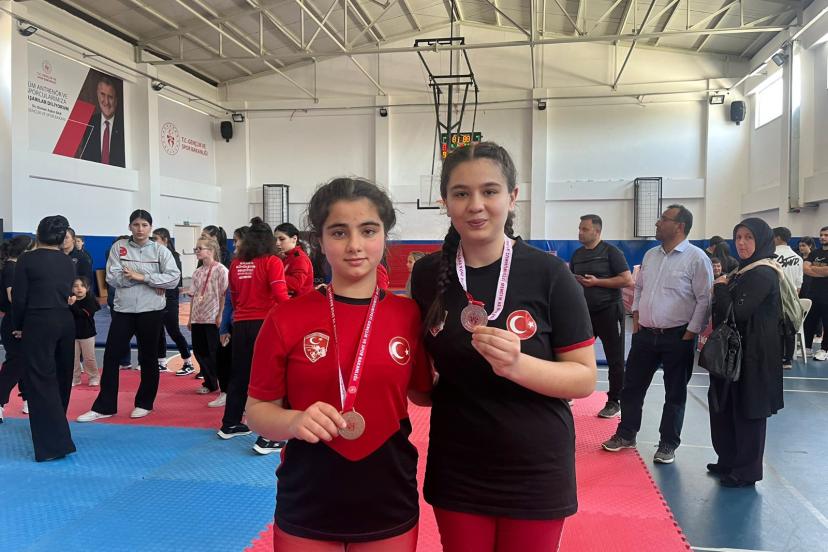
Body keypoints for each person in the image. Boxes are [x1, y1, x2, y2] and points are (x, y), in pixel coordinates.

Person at [411, 142, 597, 552]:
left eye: (490, 191)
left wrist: (518, 365)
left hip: (536, 468)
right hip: (458, 465)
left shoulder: (549, 273)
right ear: (445, 202)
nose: (475, 205)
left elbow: (584, 378)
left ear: (512, 197)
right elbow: (421, 379)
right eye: (461, 193)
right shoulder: (427, 275)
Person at [247, 177, 433, 550]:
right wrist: (294, 421)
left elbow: (423, 394)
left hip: (389, 494)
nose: (355, 245)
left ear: (385, 235)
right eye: (339, 232)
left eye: (368, 230)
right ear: (319, 240)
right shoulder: (286, 318)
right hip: (308, 497)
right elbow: (256, 412)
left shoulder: (409, 315)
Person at [602, 204, 712, 464]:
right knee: (631, 388)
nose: (657, 223)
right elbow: (639, 288)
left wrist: (690, 333)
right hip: (645, 335)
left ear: (679, 226)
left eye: (664, 219)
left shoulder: (697, 259)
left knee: (675, 394)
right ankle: (626, 434)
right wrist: (636, 315)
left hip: (678, 337)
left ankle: (668, 443)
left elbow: (705, 299)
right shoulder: (651, 255)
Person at [77, 210, 181, 422]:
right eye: (136, 224)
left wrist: (142, 277)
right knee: (111, 356)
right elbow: (113, 277)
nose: (140, 229)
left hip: (151, 311)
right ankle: (105, 406)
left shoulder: (160, 251)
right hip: (124, 311)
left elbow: (173, 279)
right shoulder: (119, 247)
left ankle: (144, 403)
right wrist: (152, 280)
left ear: (150, 227)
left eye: (144, 225)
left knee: (148, 357)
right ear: (129, 226)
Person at [708, 218, 784, 487]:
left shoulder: (763, 273)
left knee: (748, 411)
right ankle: (728, 460)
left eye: (748, 237)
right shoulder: (742, 271)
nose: (741, 243)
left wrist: (720, 287)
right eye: (738, 237)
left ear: (761, 240)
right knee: (725, 406)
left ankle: (746, 471)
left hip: (754, 355)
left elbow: (737, 313)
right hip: (733, 352)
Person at [219, 218, 290, 454]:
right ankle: (268, 437)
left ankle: (230, 423)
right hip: (265, 325)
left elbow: (234, 298)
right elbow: (280, 295)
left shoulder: (236, 264)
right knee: (269, 378)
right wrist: (297, 314)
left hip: (241, 324)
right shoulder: (272, 261)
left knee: (240, 375)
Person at [11, 216, 77, 461]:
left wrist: (18, 325)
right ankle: (59, 431)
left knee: (40, 380)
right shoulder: (67, 261)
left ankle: (53, 443)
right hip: (65, 320)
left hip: (39, 320)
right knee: (61, 377)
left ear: (37, 234)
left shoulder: (27, 260)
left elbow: (19, 298)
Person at [570, 214, 633, 419]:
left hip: (609, 311)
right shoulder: (577, 254)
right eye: (579, 228)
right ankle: (569, 392)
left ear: (597, 231)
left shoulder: (612, 252)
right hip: (584, 313)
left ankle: (614, 401)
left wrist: (597, 282)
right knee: (575, 353)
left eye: (585, 229)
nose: (580, 232)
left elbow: (627, 280)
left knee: (615, 358)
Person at [211, 226, 249, 408]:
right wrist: (224, 326)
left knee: (245, 366)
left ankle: (247, 401)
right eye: (233, 240)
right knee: (223, 357)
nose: (235, 244)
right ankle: (226, 393)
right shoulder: (235, 264)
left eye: (237, 240)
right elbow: (229, 299)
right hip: (236, 322)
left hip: (251, 324)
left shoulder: (266, 263)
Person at [187, 237, 228, 400]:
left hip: (213, 317)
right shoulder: (197, 272)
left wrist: (221, 315)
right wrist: (190, 318)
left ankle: (224, 385)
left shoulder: (221, 270)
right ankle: (210, 383)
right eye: (196, 248)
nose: (197, 251)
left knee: (216, 353)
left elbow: (225, 295)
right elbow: (193, 296)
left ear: (210, 251)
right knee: (200, 352)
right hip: (198, 317)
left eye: (200, 248)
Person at [0, 235, 33, 422]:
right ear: (25, 251)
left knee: (26, 361)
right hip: (14, 321)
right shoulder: (12, 269)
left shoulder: (15, 267)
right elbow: (14, 297)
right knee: (16, 362)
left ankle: (28, 397)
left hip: (20, 319)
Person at [151, 228, 194, 375]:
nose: (153, 242)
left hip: (169, 298)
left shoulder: (173, 257)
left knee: (173, 331)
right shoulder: (154, 256)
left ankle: (188, 361)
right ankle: (161, 361)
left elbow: (172, 279)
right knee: (158, 331)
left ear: (165, 240)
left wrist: (160, 283)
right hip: (157, 298)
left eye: (156, 239)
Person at [773, 226, 803, 368]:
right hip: (792, 299)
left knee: (774, 329)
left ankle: (775, 357)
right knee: (789, 329)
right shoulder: (798, 258)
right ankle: (788, 359)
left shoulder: (771, 256)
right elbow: (798, 284)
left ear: (777, 238)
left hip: (774, 297)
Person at [79, 76, 125, 167]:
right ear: (97, 94)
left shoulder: (124, 126)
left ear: (116, 100)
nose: (106, 102)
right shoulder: (89, 123)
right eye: (103, 94)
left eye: (110, 97)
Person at [70, 276, 101, 386]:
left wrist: (72, 305)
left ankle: (94, 376)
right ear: (71, 288)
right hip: (73, 335)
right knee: (73, 358)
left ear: (87, 288)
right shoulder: (70, 300)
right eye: (76, 286)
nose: (79, 288)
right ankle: (75, 378)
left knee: (89, 358)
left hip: (87, 334)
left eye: (82, 286)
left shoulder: (90, 300)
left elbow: (83, 314)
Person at [803, 226, 828, 361]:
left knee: (826, 323)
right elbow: (805, 269)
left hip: (826, 295)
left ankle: (824, 350)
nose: (823, 237)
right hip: (813, 293)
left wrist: (813, 268)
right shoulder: (814, 253)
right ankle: (807, 348)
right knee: (810, 321)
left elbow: (811, 268)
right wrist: (822, 271)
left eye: (826, 235)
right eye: (821, 235)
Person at [275, 222, 314, 297]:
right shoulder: (286, 256)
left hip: (300, 302)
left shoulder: (300, 258)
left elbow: (296, 283)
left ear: (294, 239)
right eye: (276, 239)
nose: (277, 243)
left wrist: (274, 276)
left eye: (281, 239)